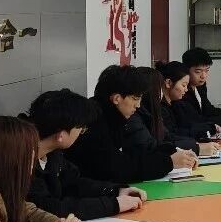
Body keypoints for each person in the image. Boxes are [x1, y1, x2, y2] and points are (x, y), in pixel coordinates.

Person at [24, 88, 147, 220]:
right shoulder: (23, 163)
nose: (81, 133)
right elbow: (52, 208)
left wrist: (116, 190)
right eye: (80, 129)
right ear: (61, 135)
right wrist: (114, 204)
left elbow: (74, 183)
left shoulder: (53, 153)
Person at [69, 65, 199, 184]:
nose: (138, 105)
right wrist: (169, 162)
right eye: (135, 99)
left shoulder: (114, 116)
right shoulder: (93, 122)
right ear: (117, 99)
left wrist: (174, 152)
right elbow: (117, 167)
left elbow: (133, 154)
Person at [177, 47, 221, 138]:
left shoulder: (200, 86)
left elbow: (210, 111)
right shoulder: (182, 93)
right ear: (186, 70)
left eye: (207, 70)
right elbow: (199, 120)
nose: (203, 76)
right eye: (198, 72)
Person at [157, 61, 221, 156]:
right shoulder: (161, 109)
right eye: (183, 85)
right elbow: (170, 137)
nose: (186, 89)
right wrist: (197, 147)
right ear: (168, 83)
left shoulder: (172, 104)